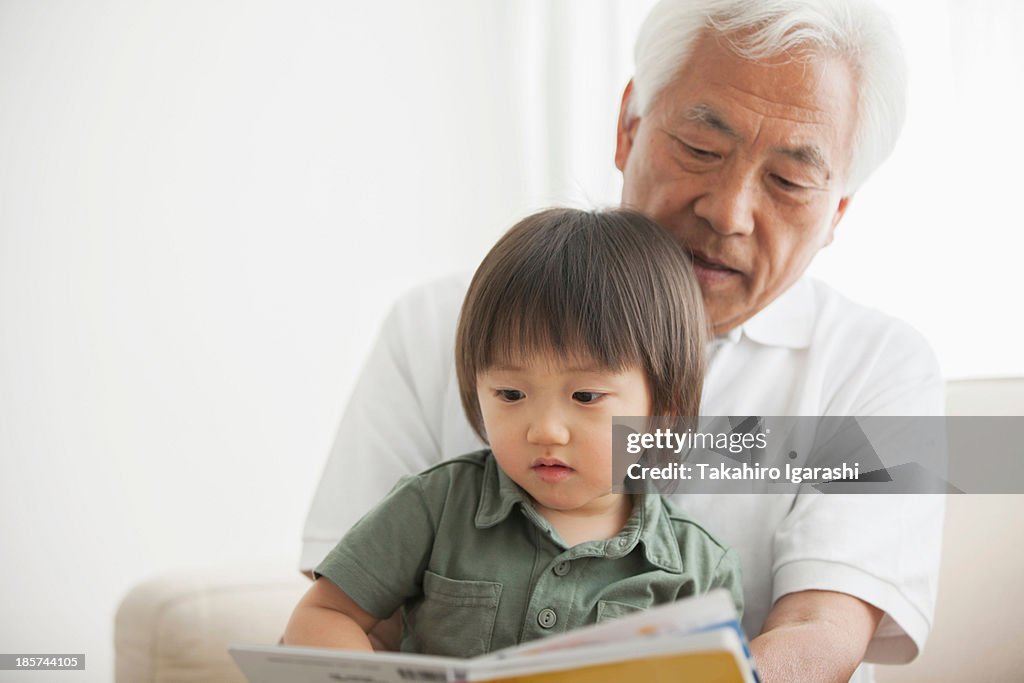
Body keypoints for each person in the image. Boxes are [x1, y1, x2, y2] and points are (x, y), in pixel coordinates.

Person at [302, 1, 944, 681]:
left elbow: (821, 627)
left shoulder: (881, 369)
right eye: (700, 148)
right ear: (627, 127)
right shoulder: (435, 323)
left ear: (837, 211)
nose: (729, 211)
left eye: (789, 181)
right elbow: (355, 612)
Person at [283, 208, 743, 655]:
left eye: (585, 397)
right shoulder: (433, 505)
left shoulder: (699, 568)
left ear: (663, 410)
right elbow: (324, 615)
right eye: (509, 394)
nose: (545, 431)